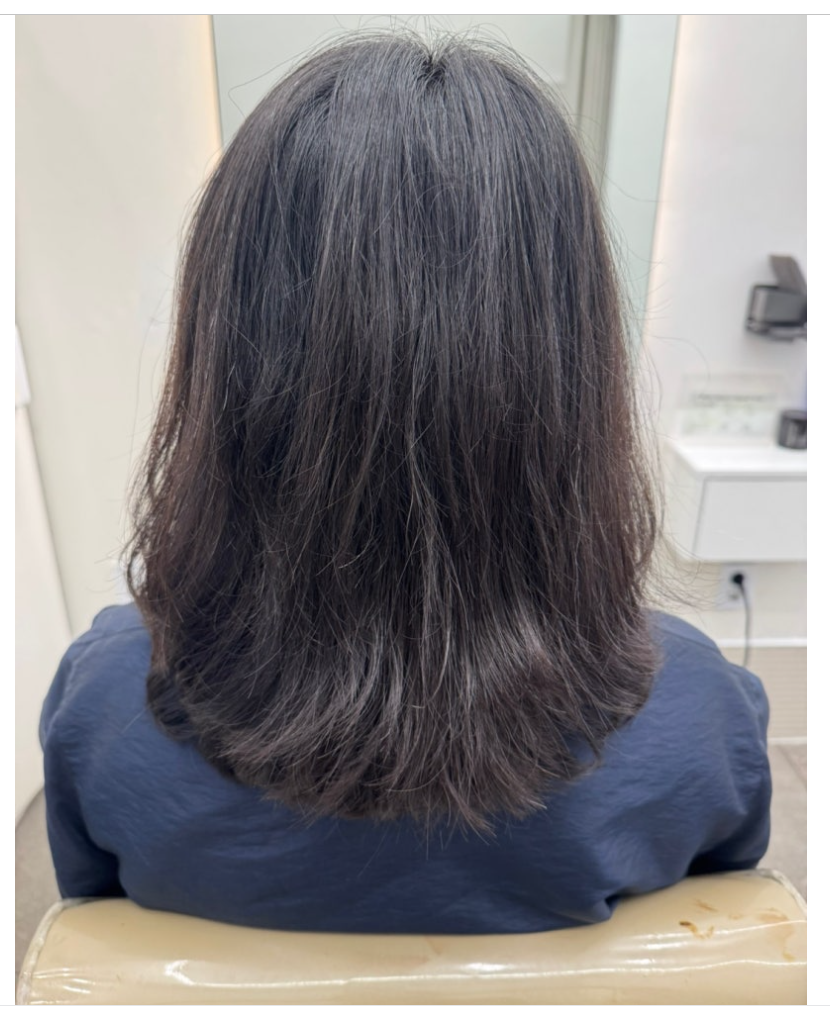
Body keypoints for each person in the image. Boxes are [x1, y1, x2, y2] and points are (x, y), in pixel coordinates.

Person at [40, 33, 771, 935]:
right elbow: (730, 931)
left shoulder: (102, 708)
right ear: (572, 361)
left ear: (229, 346)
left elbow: (91, 938)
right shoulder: (704, 717)